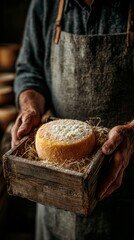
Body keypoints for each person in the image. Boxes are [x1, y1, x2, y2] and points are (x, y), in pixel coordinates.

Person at [11, 0, 134, 239]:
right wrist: (30, 108)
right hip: (54, 198)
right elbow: (30, 70)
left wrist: (131, 132)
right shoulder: (45, 4)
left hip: (124, 197)